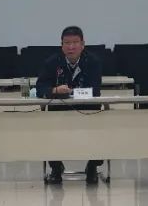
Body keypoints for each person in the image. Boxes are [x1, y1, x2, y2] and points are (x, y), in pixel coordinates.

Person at [36, 25, 104, 185]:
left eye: (75, 42)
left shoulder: (93, 61)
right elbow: (40, 88)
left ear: (82, 44)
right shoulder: (52, 62)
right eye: (67, 43)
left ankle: (93, 166)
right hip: (59, 110)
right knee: (50, 131)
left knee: (99, 130)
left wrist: (71, 92)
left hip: (87, 111)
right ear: (62, 45)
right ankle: (55, 168)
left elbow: (95, 90)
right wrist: (55, 90)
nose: (71, 47)